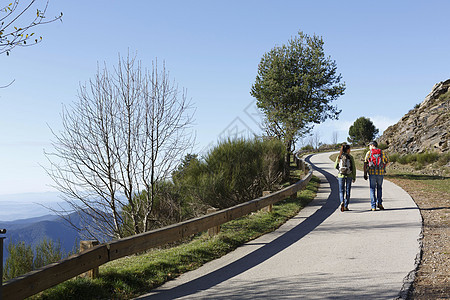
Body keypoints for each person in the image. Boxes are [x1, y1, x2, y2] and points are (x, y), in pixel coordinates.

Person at [364, 141, 389, 211]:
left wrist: (365, 173)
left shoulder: (369, 153)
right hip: (380, 173)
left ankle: (373, 206)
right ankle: (380, 203)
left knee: (372, 189)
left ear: (372, 145)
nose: (369, 147)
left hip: (372, 173)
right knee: (379, 188)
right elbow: (387, 161)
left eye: (369, 145)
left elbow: (365, 163)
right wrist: (383, 167)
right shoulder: (382, 152)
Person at [335, 144, 356, 212]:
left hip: (341, 175)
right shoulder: (350, 157)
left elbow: (335, 165)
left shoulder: (339, 156)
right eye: (349, 149)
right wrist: (354, 177)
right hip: (349, 175)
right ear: (347, 150)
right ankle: (346, 206)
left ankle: (342, 202)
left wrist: (340, 169)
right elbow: (353, 168)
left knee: (341, 191)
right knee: (348, 191)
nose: (350, 150)